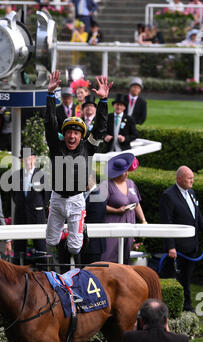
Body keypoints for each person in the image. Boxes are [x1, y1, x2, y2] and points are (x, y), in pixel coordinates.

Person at [45, 70, 112, 261]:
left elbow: (99, 129)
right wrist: (50, 95)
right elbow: (50, 123)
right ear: (64, 134)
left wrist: (104, 101)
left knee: (75, 248)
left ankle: (80, 232)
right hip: (57, 200)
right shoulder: (55, 146)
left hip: (76, 201)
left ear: (81, 136)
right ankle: (69, 233)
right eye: (68, 133)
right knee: (50, 241)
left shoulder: (88, 147)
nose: (72, 136)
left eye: (76, 133)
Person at [159, 166, 203, 312]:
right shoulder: (168, 195)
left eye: (192, 177)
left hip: (191, 247)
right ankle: (175, 307)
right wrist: (171, 246)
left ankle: (186, 305)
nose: (192, 180)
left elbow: (197, 217)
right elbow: (166, 222)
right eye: (189, 178)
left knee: (186, 278)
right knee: (173, 279)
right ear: (179, 179)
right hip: (177, 249)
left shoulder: (191, 192)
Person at [101, 154, 147, 264]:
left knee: (124, 256)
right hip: (112, 225)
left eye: (127, 170)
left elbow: (136, 203)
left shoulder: (131, 183)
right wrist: (116, 210)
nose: (126, 173)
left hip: (129, 224)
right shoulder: (105, 185)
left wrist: (143, 220)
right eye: (123, 172)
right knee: (109, 255)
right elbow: (100, 206)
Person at [11, 150, 50, 264]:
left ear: (34, 158)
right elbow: (14, 195)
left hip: (37, 215)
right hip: (21, 214)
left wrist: (37, 206)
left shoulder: (43, 175)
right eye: (24, 158)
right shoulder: (16, 176)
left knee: (40, 246)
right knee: (19, 246)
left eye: (29, 157)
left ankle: (42, 271)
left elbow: (46, 195)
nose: (27, 160)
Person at [118, 299, 189, 342]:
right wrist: (169, 334)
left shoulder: (129, 338)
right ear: (166, 321)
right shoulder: (181, 341)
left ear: (141, 321)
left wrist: (134, 332)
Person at [83, 172, 106, 264]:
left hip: (93, 246)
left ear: (91, 178)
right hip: (88, 245)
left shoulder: (98, 197)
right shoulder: (87, 194)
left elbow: (94, 221)